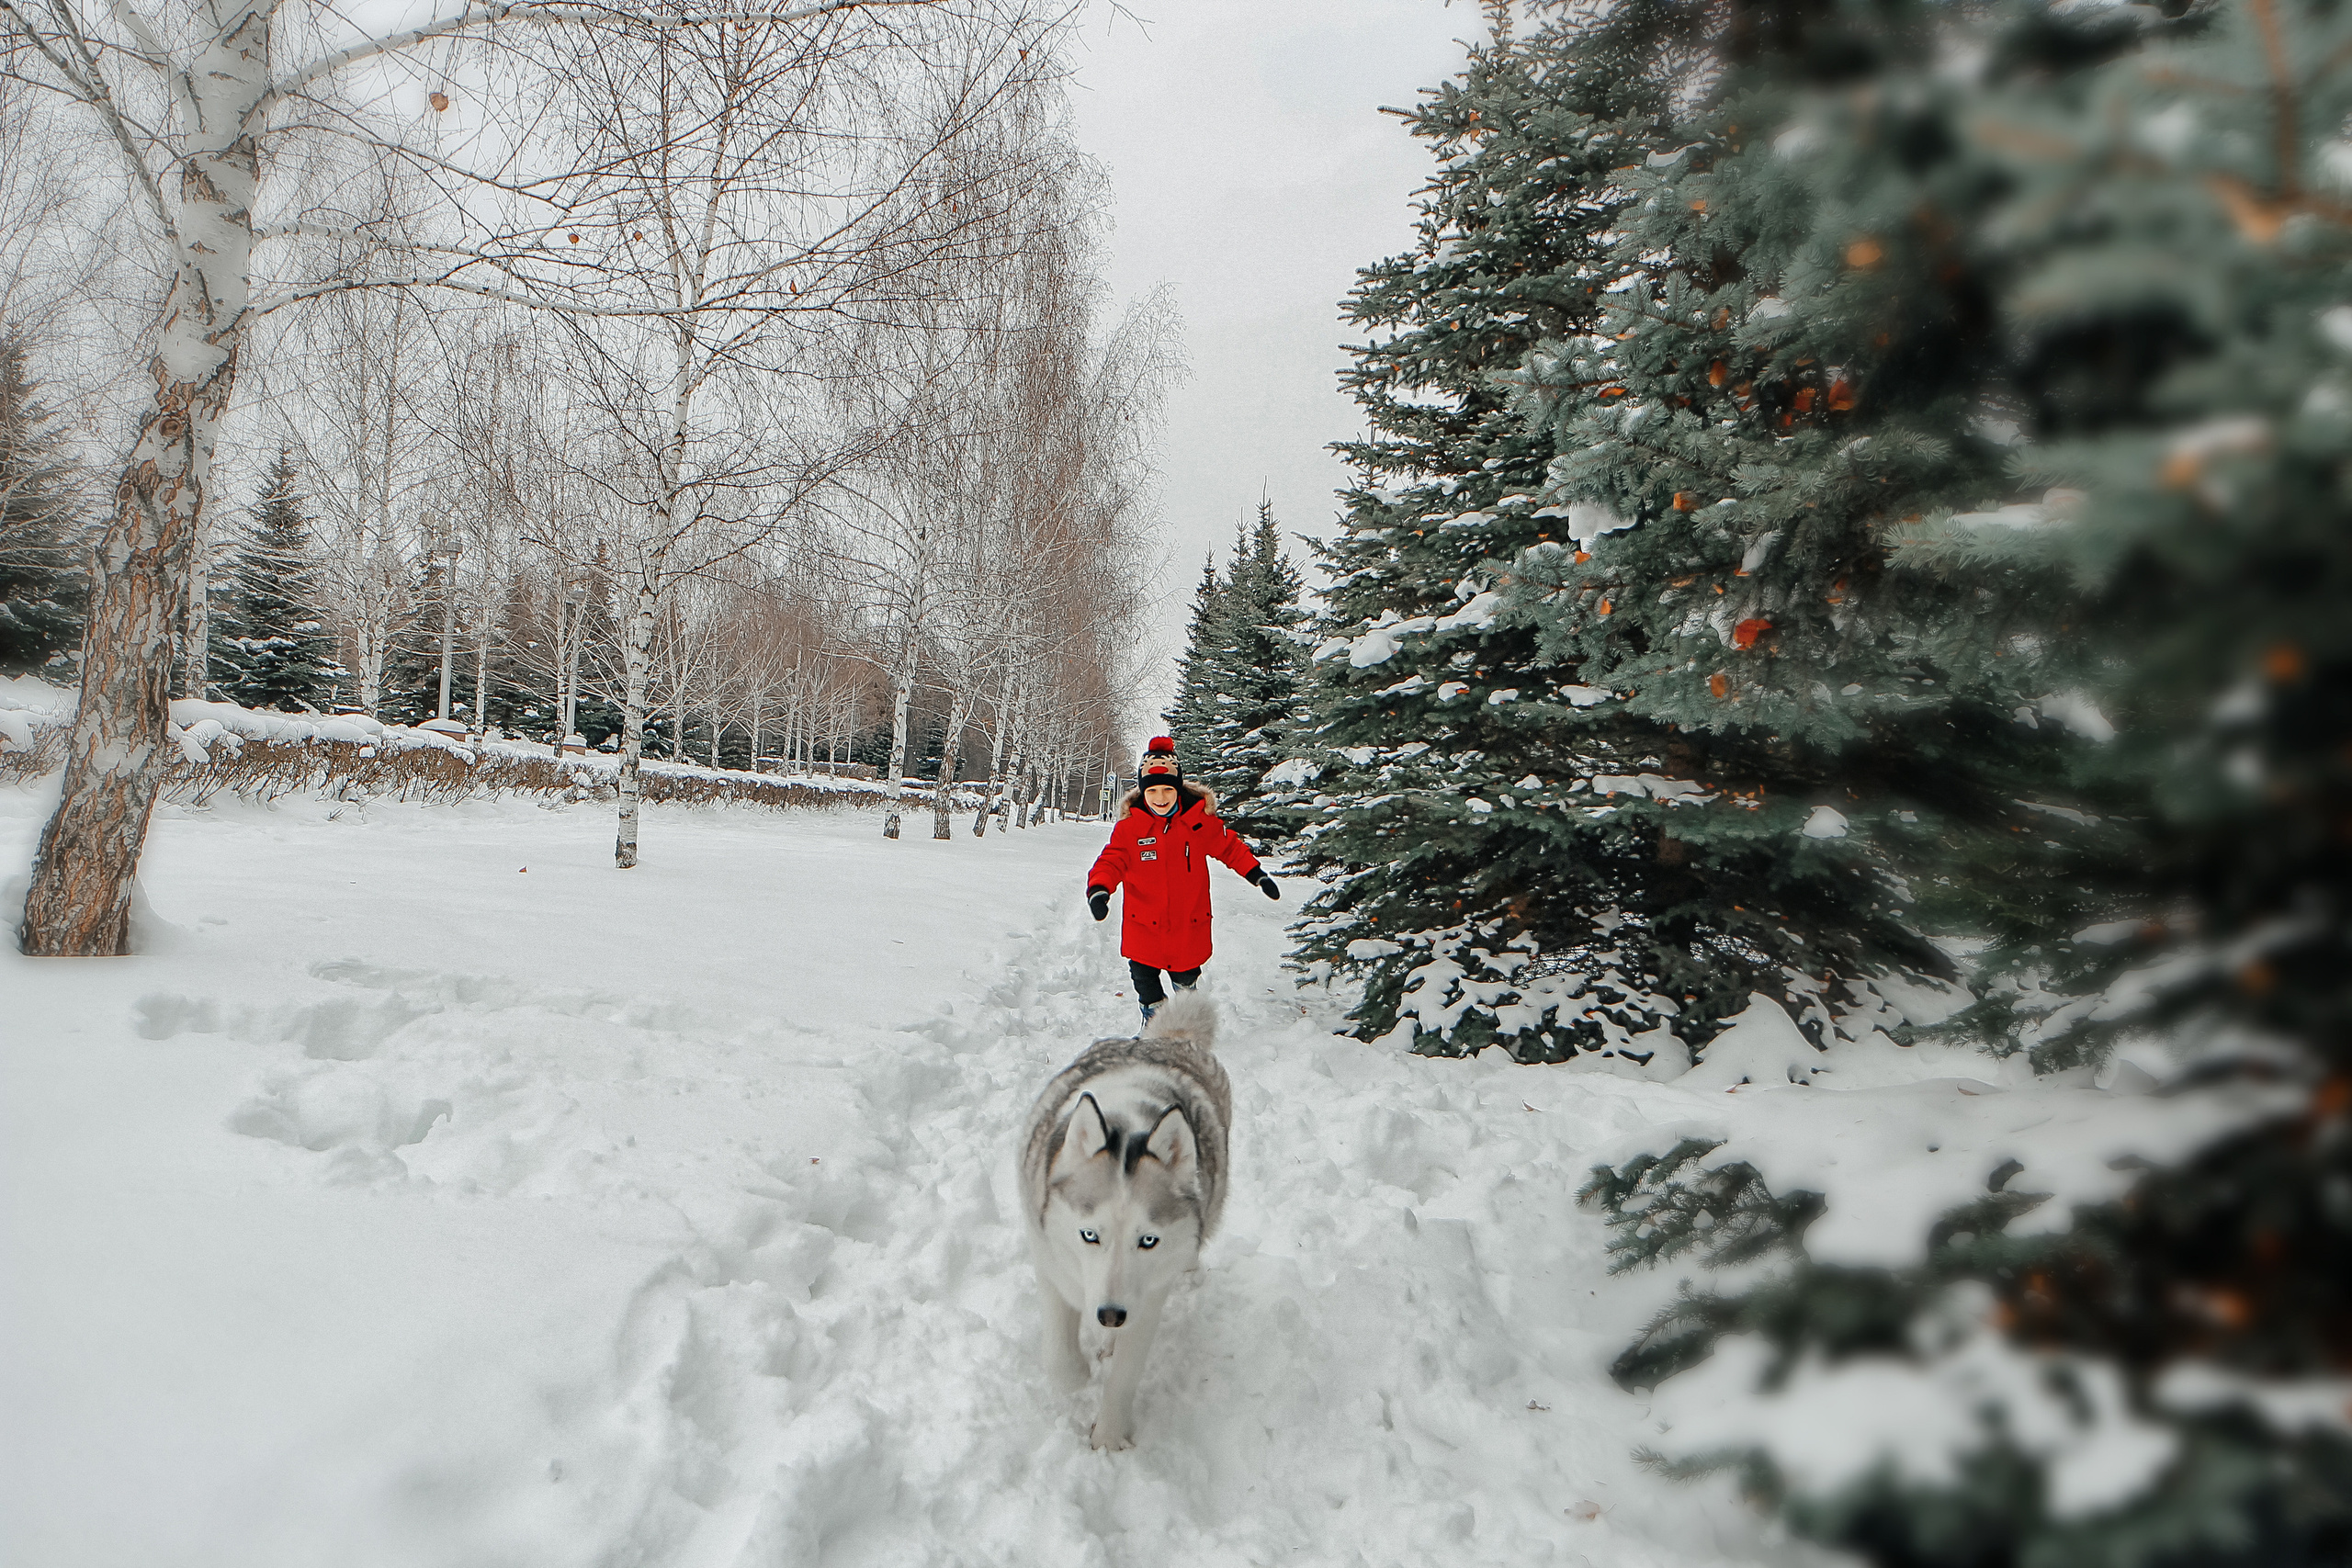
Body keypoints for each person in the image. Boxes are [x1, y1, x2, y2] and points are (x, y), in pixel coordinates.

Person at [1088, 737, 1280, 1023]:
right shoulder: (1131, 829)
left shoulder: (1197, 823)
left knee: (1186, 977)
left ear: (1178, 789)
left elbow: (1228, 847)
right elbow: (1112, 859)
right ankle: (1154, 1024)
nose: (1161, 797)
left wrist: (1256, 874)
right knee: (1144, 981)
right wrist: (1100, 888)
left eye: (1168, 789)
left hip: (1187, 925)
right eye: (1153, 790)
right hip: (1144, 925)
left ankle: (1187, 1014)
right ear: (1143, 792)